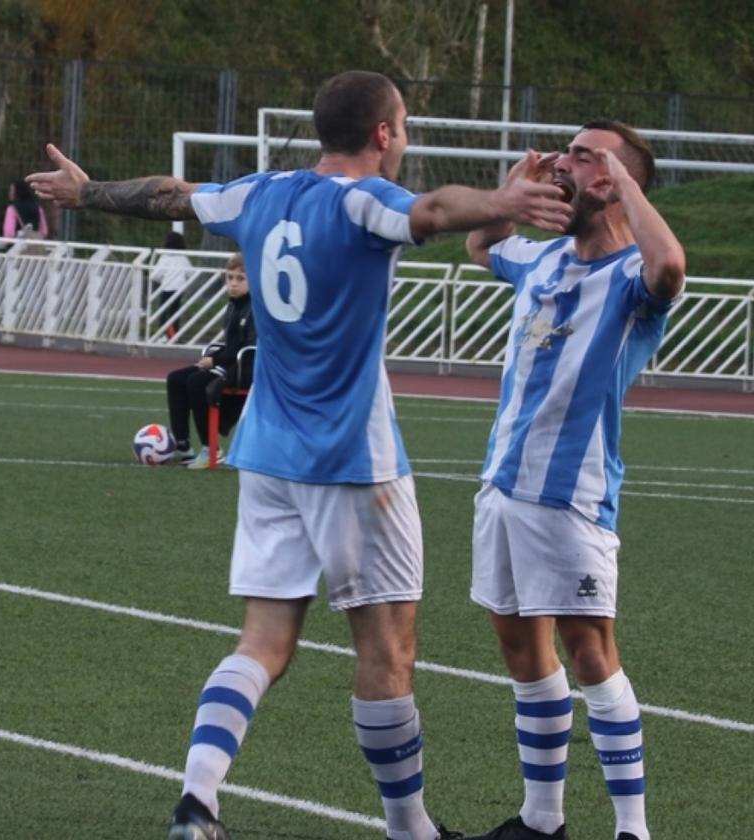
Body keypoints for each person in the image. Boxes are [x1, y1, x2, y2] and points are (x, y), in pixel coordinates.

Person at [28, 69, 570, 840]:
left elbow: (172, 195)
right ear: (383, 133)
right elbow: (436, 210)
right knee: (386, 650)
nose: (405, 137)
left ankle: (197, 803)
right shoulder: (363, 200)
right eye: (404, 125)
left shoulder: (260, 192)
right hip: (354, 463)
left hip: (268, 455)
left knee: (263, 641)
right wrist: (505, 203)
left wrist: (88, 193)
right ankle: (411, 829)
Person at [458, 122, 686, 840]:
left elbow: (672, 265)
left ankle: (632, 830)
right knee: (520, 646)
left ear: (616, 181)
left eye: (586, 156)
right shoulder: (545, 257)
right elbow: (481, 245)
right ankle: (542, 821)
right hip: (502, 486)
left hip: (570, 497)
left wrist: (623, 188)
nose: (565, 160)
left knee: (590, 652)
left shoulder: (632, 279)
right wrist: (509, 196)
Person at [166, 252, 254, 469]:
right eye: (229, 278)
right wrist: (214, 358)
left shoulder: (256, 307)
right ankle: (183, 446)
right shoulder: (233, 305)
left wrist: (214, 362)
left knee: (197, 382)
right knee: (175, 379)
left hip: (246, 369)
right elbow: (231, 346)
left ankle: (211, 448)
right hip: (232, 363)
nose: (233, 284)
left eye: (240, 279)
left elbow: (248, 349)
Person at [149, 230, 192, 338]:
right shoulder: (183, 258)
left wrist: (162, 279)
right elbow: (191, 273)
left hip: (166, 287)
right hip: (179, 288)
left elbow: (155, 275)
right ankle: (174, 335)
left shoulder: (164, 258)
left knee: (163, 312)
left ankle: (164, 335)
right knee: (174, 312)